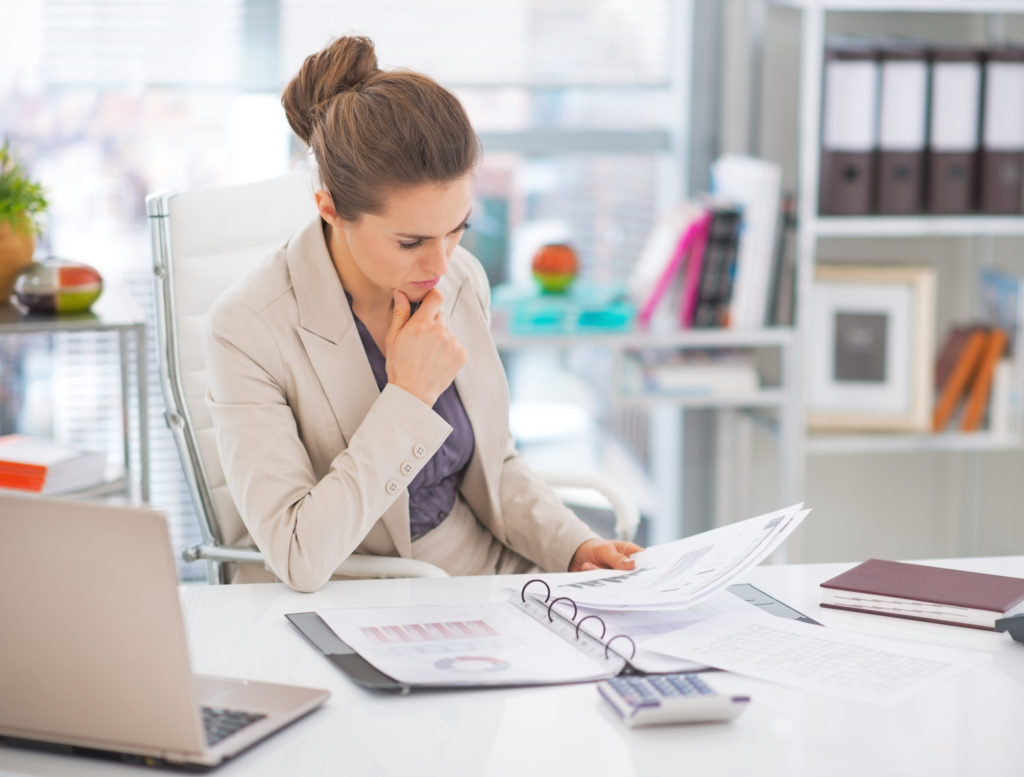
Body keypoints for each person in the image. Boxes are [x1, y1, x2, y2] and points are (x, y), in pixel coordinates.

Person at [204, 35, 641, 592]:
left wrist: (573, 546)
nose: (441, 263)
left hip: (488, 574)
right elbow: (298, 555)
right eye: (410, 242)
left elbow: (494, 464)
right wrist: (408, 397)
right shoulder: (247, 328)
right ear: (331, 210)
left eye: (458, 229)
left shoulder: (461, 281)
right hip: (354, 592)